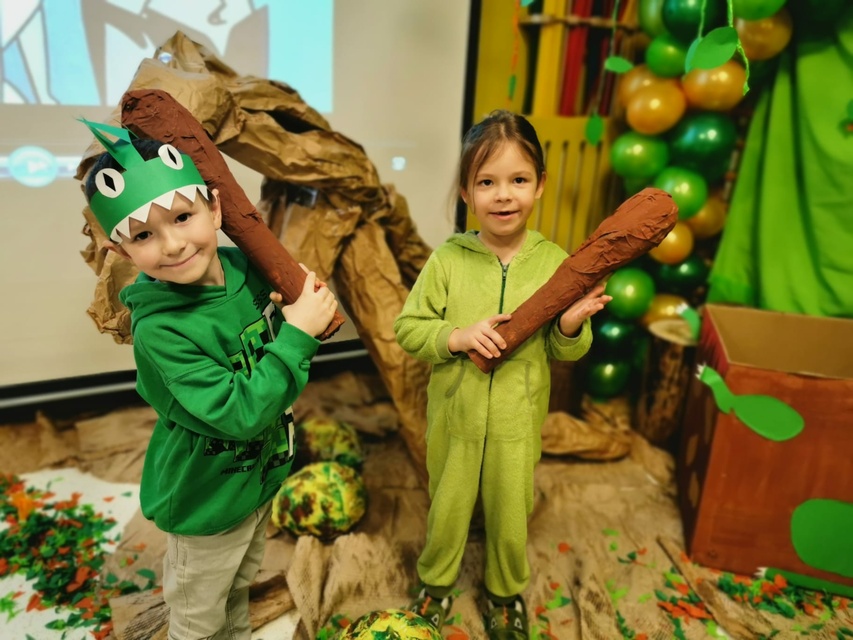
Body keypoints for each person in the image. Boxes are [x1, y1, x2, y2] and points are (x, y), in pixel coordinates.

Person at [81, 120, 337, 640]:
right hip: (206, 500)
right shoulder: (162, 329)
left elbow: (289, 301)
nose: (173, 244)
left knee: (238, 590)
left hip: (257, 479)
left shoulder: (245, 269)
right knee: (199, 617)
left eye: (182, 216)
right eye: (145, 235)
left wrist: (298, 295)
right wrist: (298, 336)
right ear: (121, 251)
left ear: (215, 209)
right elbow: (239, 411)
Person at [393, 110, 611, 639]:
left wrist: (570, 324)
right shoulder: (448, 260)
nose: (503, 195)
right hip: (456, 421)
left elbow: (565, 352)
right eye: (487, 182)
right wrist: (457, 337)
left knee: (512, 511)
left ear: (540, 185)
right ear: (467, 192)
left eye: (518, 180)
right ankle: (436, 583)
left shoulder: (556, 263)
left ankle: (505, 591)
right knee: (446, 507)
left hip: (517, 424)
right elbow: (408, 328)